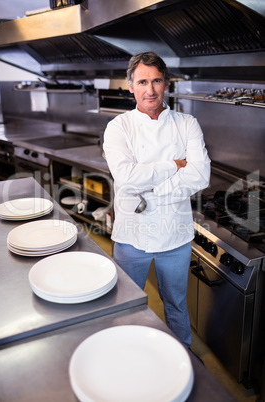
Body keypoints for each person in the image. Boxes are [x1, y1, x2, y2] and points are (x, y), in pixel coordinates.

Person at [103, 52, 210, 348]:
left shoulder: (187, 123)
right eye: (142, 82)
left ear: (166, 84)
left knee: (176, 305)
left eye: (156, 81)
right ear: (131, 87)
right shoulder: (118, 127)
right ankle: (131, 358)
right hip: (131, 236)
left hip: (175, 236)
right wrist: (175, 165)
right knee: (127, 305)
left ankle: (183, 357)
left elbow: (200, 176)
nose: (150, 90)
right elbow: (126, 178)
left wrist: (150, 191)